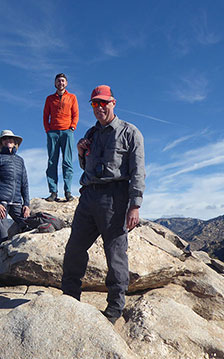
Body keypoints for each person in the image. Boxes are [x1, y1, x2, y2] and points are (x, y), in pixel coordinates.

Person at [61, 85, 145, 324]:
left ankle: (114, 310)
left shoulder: (130, 132)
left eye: (103, 103)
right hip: (88, 196)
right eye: (95, 104)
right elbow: (85, 167)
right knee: (74, 249)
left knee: (115, 255)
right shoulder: (91, 133)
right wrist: (79, 152)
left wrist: (135, 205)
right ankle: (69, 299)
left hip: (115, 198)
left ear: (113, 102)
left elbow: (138, 172)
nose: (99, 108)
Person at [0, 130, 30, 249]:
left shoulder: (20, 160)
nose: (8, 140)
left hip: (16, 202)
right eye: (5, 139)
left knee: (28, 226)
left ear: (15, 142)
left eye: (11, 138)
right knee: (2, 236)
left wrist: (27, 204)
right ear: (1, 142)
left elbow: (24, 183)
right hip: (1, 202)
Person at [43, 73, 79, 202]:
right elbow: (45, 115)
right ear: (55, 83)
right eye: (58, 81)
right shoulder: (49, 99)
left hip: (67, 132)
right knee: (52, 161)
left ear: (66, 83)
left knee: (67, 162)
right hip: (53, 132)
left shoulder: (72, 97)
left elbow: (75, 114)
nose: (61, 83)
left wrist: (72, 127)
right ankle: (53, 192)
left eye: (63, 81)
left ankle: (68, 191)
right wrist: (48, 130)